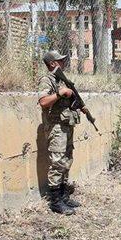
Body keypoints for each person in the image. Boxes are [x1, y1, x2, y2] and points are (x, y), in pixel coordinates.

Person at [38, 49, 81, 215]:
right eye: (60, 60)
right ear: (52, 64)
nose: (64, 63)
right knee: (57, 163)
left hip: (66, 126)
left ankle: (64, 196)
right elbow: (43, 102)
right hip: (56, 128)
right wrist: (60, 93)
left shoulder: (62, 80)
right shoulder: (46, 80)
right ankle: (55, 201)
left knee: (66, 160)